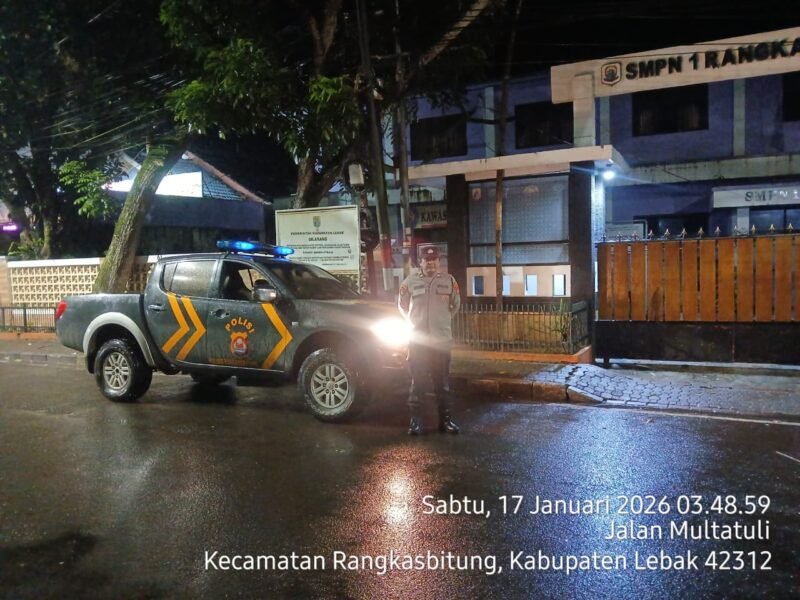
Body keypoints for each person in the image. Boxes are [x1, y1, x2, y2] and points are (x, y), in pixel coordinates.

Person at [398, 246, 461, 435]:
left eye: (434, 260)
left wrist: (441, 322)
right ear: (421, 262)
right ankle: (415, 423)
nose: (431, 263)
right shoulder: (409, 282)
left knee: (442, 384)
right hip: (418, 343)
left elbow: (455, 305)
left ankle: (446, 422)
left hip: (441, 342)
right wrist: (414, 323)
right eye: (427, 260)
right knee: (417, 383)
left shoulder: (449, 281)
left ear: (439, 262)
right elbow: (402, 307)